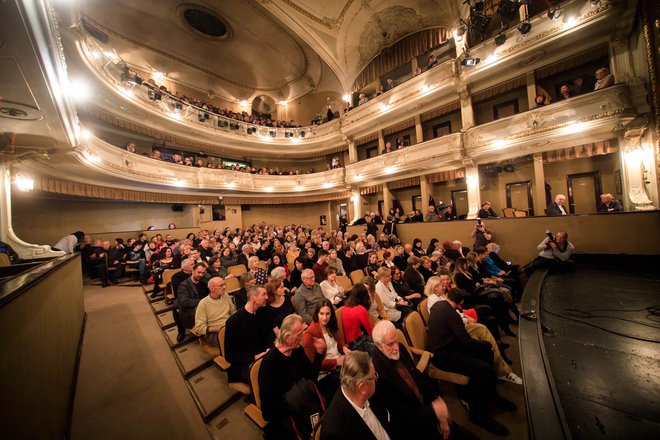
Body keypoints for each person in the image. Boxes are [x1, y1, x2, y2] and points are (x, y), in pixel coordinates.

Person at [427, 288, 516, 436]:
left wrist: (484, 348)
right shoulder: (451, 314)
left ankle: (491, 395)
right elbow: (467, 342)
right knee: (485, 369)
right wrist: (486, 344)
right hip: (444, 356)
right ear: (461, 302)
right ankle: (477, 414)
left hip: (447, 348)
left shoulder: (438, 305)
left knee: (486, 354)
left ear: (447, 296)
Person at [371, 320, 479, 440]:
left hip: (428, 410)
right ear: (379, 345)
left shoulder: (400, 348)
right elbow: (403, 417)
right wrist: (434, 411)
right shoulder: (378, 375)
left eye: (396, 340)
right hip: (415, 427)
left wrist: (437, 404)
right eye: (390, 344)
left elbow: (419, 378)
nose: (396, 347)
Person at [259, 314, 325, 439]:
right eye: (299, 334)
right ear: (287, 337)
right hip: (285, 416)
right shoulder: (269, 363)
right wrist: (294, 400)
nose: (302, 337)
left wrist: (318, 355)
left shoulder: (296, 350)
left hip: (302, 406)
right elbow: (267, 412)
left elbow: (311, 377)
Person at [320, 351, 398, 440]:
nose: (376, 378)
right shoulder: (334, 431)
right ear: (362, 387)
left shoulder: (367, 392)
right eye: (374, 376)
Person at [224, 286, 273, 383]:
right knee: (269, 376)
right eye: (264, 294)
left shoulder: (264, 311)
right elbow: (230, 356)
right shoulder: (233, 322)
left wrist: (268, 347)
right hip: (245, 363)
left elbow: (270, 333)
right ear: (253, 298)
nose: (267, 297)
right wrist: (254, 357)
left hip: (265, 355)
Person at [302, 299, 350, 400]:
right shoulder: (310, 334)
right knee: (351, 379)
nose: (324, 317)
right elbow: (313, 365)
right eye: (321, 314)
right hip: (325, 374)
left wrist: (344, 347)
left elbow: (338, 343)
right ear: (317, 314)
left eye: (327, 314)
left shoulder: (330, 324)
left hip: (339, 361)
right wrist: (336, 362)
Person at [192, 277, 234, 356]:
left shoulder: (225, 295)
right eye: (221, 285)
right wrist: (218, 328)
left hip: (229, 327)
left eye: (224, 284)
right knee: (237, 341)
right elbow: (199, 328)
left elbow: (233, 311)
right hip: (214, 333)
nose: (224, 287)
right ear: (212, 289)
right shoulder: (203, 304)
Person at [342, 284, 375, 352]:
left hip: (352, 342)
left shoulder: (345, 306)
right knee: (381, 347)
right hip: (357, 344)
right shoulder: (361, 309)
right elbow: (369, 330)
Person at [176, 262, 209, 332]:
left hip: (204, 308)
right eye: (199, 272)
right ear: (193, 271)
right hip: (191, 311)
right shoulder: (183, 286)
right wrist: (204, 301)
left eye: (203, 273)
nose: (201, 275)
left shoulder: (204, 282)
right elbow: (185, 302)